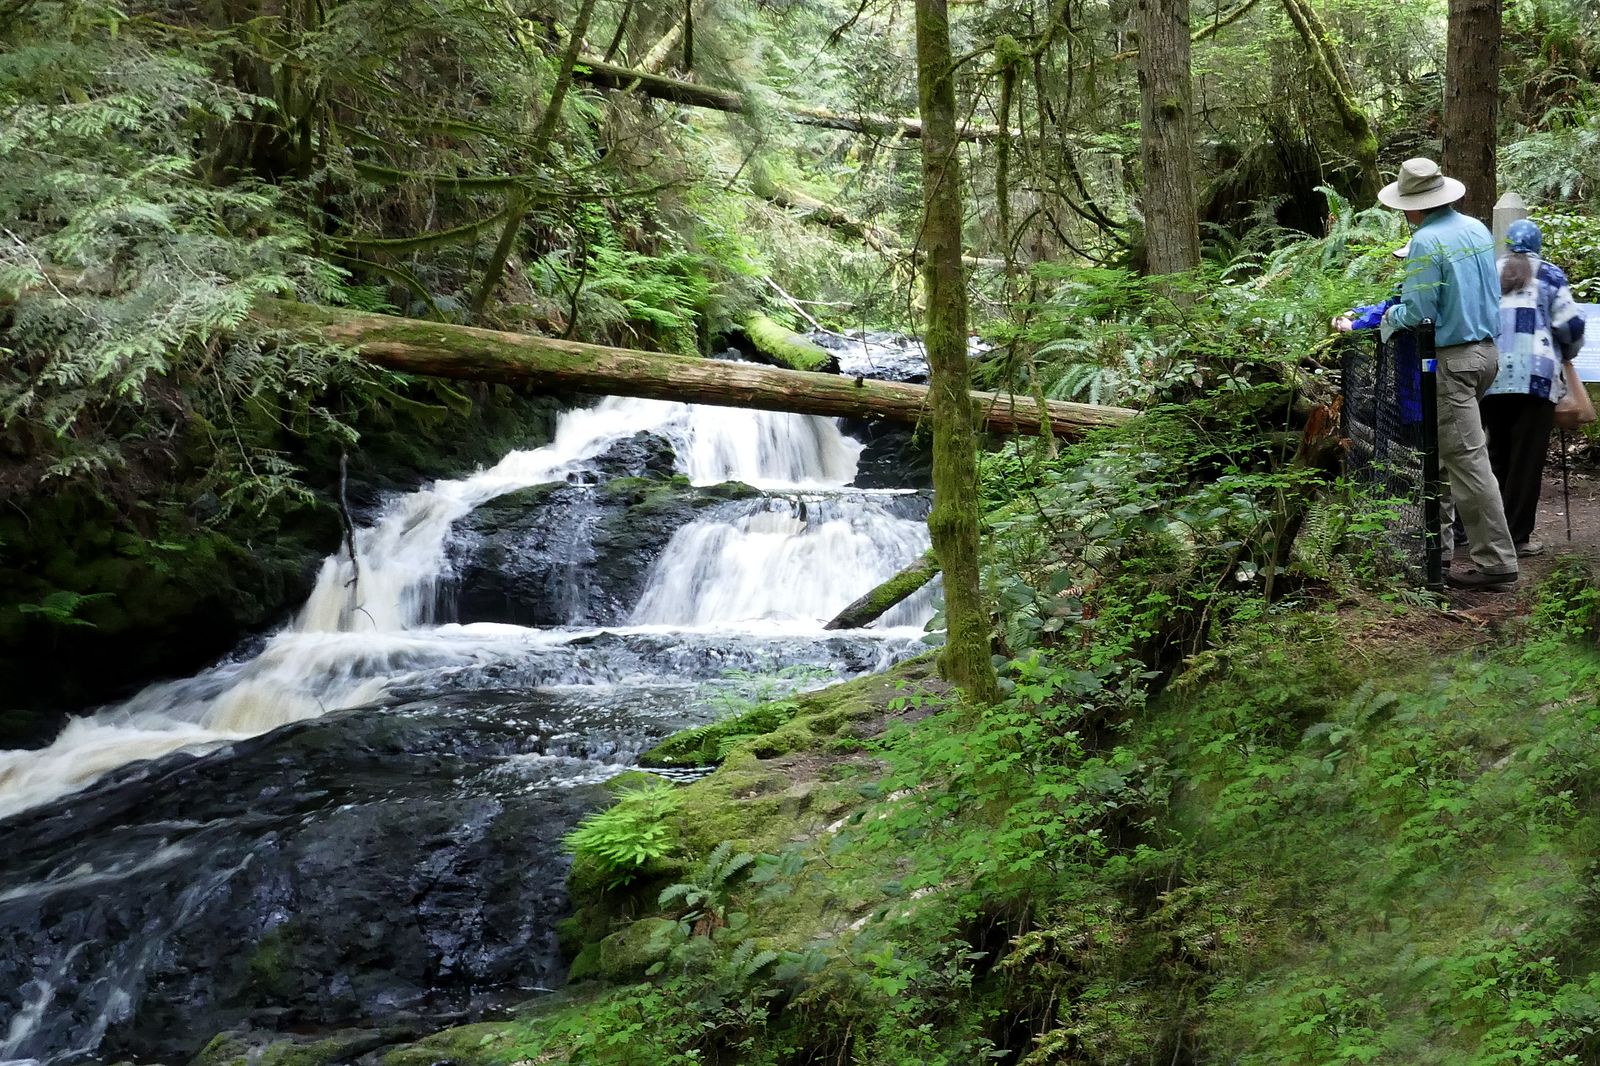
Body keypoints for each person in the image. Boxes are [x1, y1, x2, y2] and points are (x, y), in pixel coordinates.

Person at [1376, 158, 1518, 591]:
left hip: (1451, 361)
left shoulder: (1425, 240)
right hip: (1486, 354)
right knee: (1443, 455)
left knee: (1468, 461)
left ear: (1412, 206)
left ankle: (1496, 562)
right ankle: (1434, 557)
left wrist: (1387, 317)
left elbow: (1419, 310)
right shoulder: (1475, 229)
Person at [1478, 218, 1587, 556]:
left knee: (1495, 456)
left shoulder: (1490, 271)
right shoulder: (1550, 274)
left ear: (1507, 243)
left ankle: (1488, 535)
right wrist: (1567, 354)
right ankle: (1517, 538)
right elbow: (1570, 325)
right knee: (1527, 459)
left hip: (1492, 374)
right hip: (1536, 377)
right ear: (1538, 244)